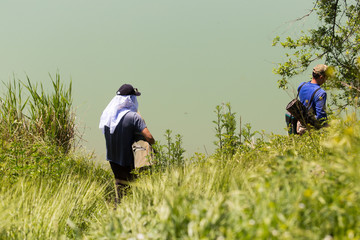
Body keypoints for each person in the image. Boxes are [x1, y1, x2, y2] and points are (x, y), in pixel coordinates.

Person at [99, 84, 155, 203]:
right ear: (131, 99)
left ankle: (116, 210)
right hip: (127, 159)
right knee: (131, 188)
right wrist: (153, 144)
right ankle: (123, 212)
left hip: (112, 158)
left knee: (120, 185)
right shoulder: (134, 117)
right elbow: (149, 137)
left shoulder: (108, 115)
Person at [296, 64, 329, 135]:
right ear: (321, 77)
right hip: (310, 128)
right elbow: (321, 116)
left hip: (300, 125)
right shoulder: (321, 93)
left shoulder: (301, 85)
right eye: (326, 78)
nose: (326, 80)